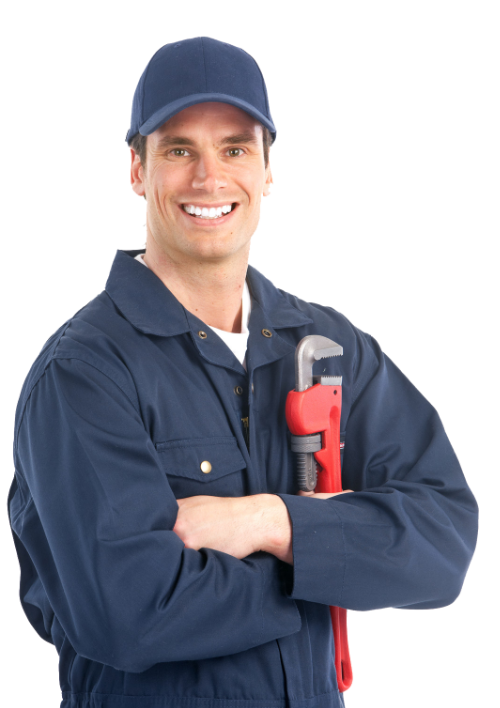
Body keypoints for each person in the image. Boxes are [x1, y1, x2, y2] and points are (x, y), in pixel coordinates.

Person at [7, 36, 478, 708]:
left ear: (266, 172)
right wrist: (335, 562)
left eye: (234, 149)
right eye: (179, 150)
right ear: (137, 169)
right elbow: (130, 613)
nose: (209, 179)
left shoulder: (329, 347)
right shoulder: (84, 373)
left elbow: (445, 543)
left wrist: (270, 522)